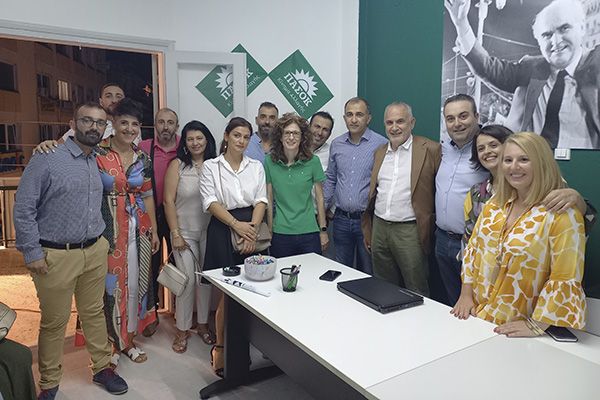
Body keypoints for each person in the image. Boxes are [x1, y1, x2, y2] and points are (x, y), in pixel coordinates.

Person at [14, 102, 128, 399]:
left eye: (100, 123)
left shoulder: (97, 157)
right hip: (56, 255)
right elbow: (24, 207)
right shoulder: (48, 157)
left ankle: (102, 367)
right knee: (54, 322)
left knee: (94, 312)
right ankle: (50, 384)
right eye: (87, 121)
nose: (94, 127)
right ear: (73, 124)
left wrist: (103, 243)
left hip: (94, 251)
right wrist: (32, 252)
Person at [451, 132, 587, 336]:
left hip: (517, 327)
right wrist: (466, 295)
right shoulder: (494, 206)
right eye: (508, 160)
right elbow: (473, 250)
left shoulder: (562, 214)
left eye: (524, 159)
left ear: (541, 163)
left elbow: (566, 275)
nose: (514, 167)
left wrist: (537, 325)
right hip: (477, 318)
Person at [445, 0, 600, 149]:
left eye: (564, 28)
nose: (556, 41)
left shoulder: (596, 63)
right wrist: (461, 23)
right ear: (539, 42)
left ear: (581, 28)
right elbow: (488, 67)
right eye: (547, 35)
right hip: (535, 160)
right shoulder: (531, 67)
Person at [199, 117, 268, 377]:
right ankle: (221, 348)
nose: (241, 141)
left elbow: (261, 200)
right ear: (226, 136)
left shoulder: (256, 166)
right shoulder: (211, 166)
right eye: (237, 135)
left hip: (252, 225)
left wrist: (251, 232)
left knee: (253, 293)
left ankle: (246, 349)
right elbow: (210, 202)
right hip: (223, 227)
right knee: (227, 295)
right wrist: (236, 226)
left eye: (246, 137)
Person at [96, 98, 160, 365]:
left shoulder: (142, 158)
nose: (130, 129)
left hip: (138, 230)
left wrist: (154, 230)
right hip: (107, 231)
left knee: (134, 284)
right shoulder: (96, 153)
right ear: (113, 122)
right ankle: (109, 345)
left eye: (135, 124)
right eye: (124, 122)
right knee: (109, 287)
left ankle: (128, 340)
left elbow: (147, 195)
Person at [362, 102, 440, 296]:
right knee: (382, 284)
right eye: (389, 122)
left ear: (412, 123)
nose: (394, 127)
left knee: (416, 286)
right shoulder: (379, 152)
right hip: (379, 227)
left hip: (410, 230)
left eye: (400, 121)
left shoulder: (430, 149)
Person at [163, 120, 217, 353]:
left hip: (210, 232)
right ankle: (182, 329)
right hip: (183, 233)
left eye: (199, 138)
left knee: (205, 280)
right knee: (187, 281)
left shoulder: (216, 165)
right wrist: (175, 233)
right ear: (184, 142)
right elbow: (168, 201)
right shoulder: (177, 165)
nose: (195, 143)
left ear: (207, 140)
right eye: (190, 139)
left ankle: (203, 324)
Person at [323, 97, 388, 274]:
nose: (353, 119)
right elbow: (331, 178)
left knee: (368, 271)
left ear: (369, 118)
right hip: (340, 220)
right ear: (344, 118)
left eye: (359, 114)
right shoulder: (337, 144)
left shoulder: (381, 144)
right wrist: (323, 209)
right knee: (340, 270)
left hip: (367, 221)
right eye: (349, 115)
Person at [435, 94, 489, 305]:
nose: (457, 123)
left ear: (477, 116)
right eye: (450, 118)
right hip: (442, 240)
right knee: (451, 301)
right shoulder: (443, 149)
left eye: (463, 116)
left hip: (475, 244)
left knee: (477, 304)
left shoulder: (489, 148)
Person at [139, 108, 181, 337]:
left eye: (170, 122)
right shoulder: (143, 148)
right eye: (161, 122)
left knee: (179, 264)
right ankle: (151, 314)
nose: (166, 126)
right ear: (155, 125)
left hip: (177, 215)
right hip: (150, 214)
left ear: (177, 126)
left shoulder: (184, 147)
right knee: (150, 266)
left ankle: (180, 313)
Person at [265, 113, 328, 257]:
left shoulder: (313, 161)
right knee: (282, 271)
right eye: (287, 133)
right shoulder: (269, 162)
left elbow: (320, 198)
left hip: (309, 232)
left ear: (302, 137)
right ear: (280, 137)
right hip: (281, 232)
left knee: (311, 271)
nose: (291, 137)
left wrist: (323, 230)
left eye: (296, 133)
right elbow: (269, 197)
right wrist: (269, 230)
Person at [60, 83, 125, 142]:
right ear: (101, 102)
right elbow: (59, 146)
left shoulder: (130, 127)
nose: (114, 100)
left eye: (118, 97)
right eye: (108, 96)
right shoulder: (88, 124)